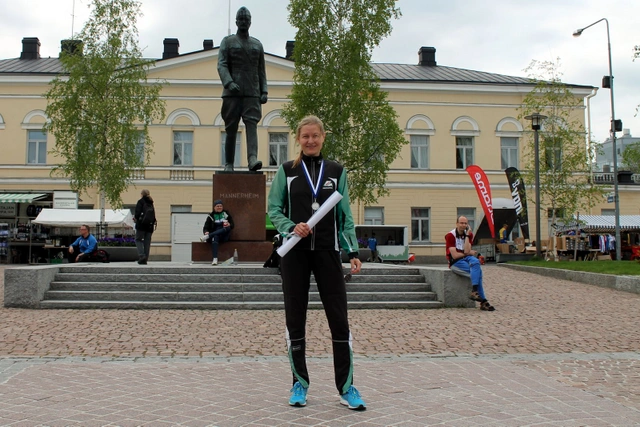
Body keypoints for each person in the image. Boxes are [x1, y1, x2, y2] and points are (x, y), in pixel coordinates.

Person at [268, 115, 366, 411]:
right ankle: (299, 382)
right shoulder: (287, 171)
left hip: (327, 252)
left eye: (315, 135)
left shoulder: (336, 171)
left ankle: (346, 387)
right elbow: (274, 209)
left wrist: (352, 251)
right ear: (298, 139)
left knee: (339, 320)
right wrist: (290, 227)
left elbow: (344, 214)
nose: (310, 141)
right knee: (295, 319)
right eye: (305, 136)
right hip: (295, 253)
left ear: (323, 137)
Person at [217, 6, 268, 172]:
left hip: (252, 92)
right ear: (236, 21)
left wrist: (264, 91)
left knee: (251, 125)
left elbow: (261, 70)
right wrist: (229, 82)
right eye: (241, 19)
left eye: (246, 19)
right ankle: (229, 163)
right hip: (232, 92)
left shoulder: (257, 45)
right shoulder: (228, 42)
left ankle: (252, 159)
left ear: (250, 22)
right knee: (231, 128)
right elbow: (222, 64)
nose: (244, 22)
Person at [445, 215, 495, 311]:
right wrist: (467, 253)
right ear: (457, 224)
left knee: (476, 261)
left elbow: (467, 250)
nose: (463, 225)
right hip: (455, 262)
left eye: (465, 223)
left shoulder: (469, 234)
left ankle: (475, 291)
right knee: (478, 273)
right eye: (461, 223)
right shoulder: (450, 236)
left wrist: (467, 236)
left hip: (466, 258)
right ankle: (483, 301)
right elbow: (455, 255)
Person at [201, 199, 234, 265]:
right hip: (215, 236)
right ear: (214, 207)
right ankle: (215, 259)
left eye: (220, 206)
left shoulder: (226, 214)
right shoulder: (211, 216)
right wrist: (206, 232)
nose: (219, 207)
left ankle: (209, 236)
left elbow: (232, 224)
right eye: (217, 206)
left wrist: (229, 224)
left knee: (227, 228)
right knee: (215, 237)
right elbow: (206, 227)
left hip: (224, 235)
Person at [134, 189, 155, 265]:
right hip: (150, 226)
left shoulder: (141, 202)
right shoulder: (151, 202)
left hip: (141, 225)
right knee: (147, 242)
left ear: (142, 194)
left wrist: (136, 218)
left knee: (138, 239)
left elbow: (137, 213)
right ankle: (145, 259)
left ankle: (142, 256)